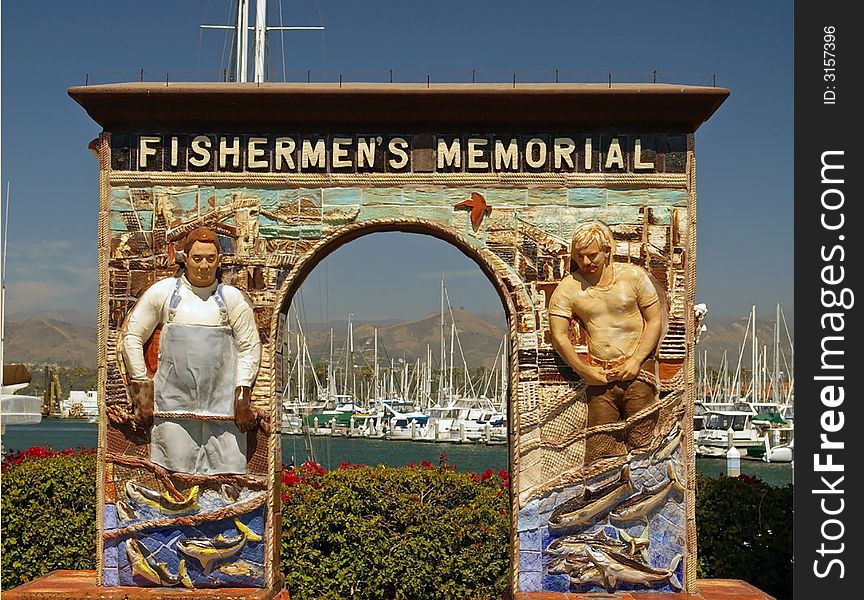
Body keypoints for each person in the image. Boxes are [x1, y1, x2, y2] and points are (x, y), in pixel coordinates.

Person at [121, 226, 261, 475]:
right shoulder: (163, 294)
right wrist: (142, 394)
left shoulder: (231, 300)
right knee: (174, 475)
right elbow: (132, 337)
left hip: (222, 412)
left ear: (219, 260)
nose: (204, 266)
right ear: (185, 258)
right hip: (173, 410)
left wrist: (242, 396)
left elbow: (249, 347)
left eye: (210, 258)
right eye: (197, 258)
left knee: (227, 478)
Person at [547, 221, 665, 462]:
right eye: (580, 257)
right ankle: (604, 493)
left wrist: (636, 360)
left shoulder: (633, 277)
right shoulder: (568, 289)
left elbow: (655, 320)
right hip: (600, 375)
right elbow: (558, 336)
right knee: (600, 447)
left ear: (606, 251)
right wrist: (583, 370)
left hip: (638, 371)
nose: (587, 262)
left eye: (592, 256)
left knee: (643, 440)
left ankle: (645, 490)